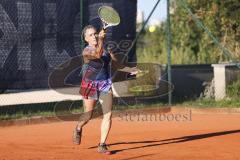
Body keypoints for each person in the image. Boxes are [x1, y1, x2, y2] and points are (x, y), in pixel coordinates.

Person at [73, 25, 137, 155]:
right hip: (90, 85)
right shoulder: (86, 51)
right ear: (86, 39)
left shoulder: (107, 49)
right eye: (90, 35)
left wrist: (131, 70)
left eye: (95, 33)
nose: (94, 36)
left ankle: (102, 144)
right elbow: (97, 54)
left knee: (108, 114)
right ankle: (78, 127)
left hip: (105, 85)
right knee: (88, 116)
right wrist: (101, 40)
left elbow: (116, 64)